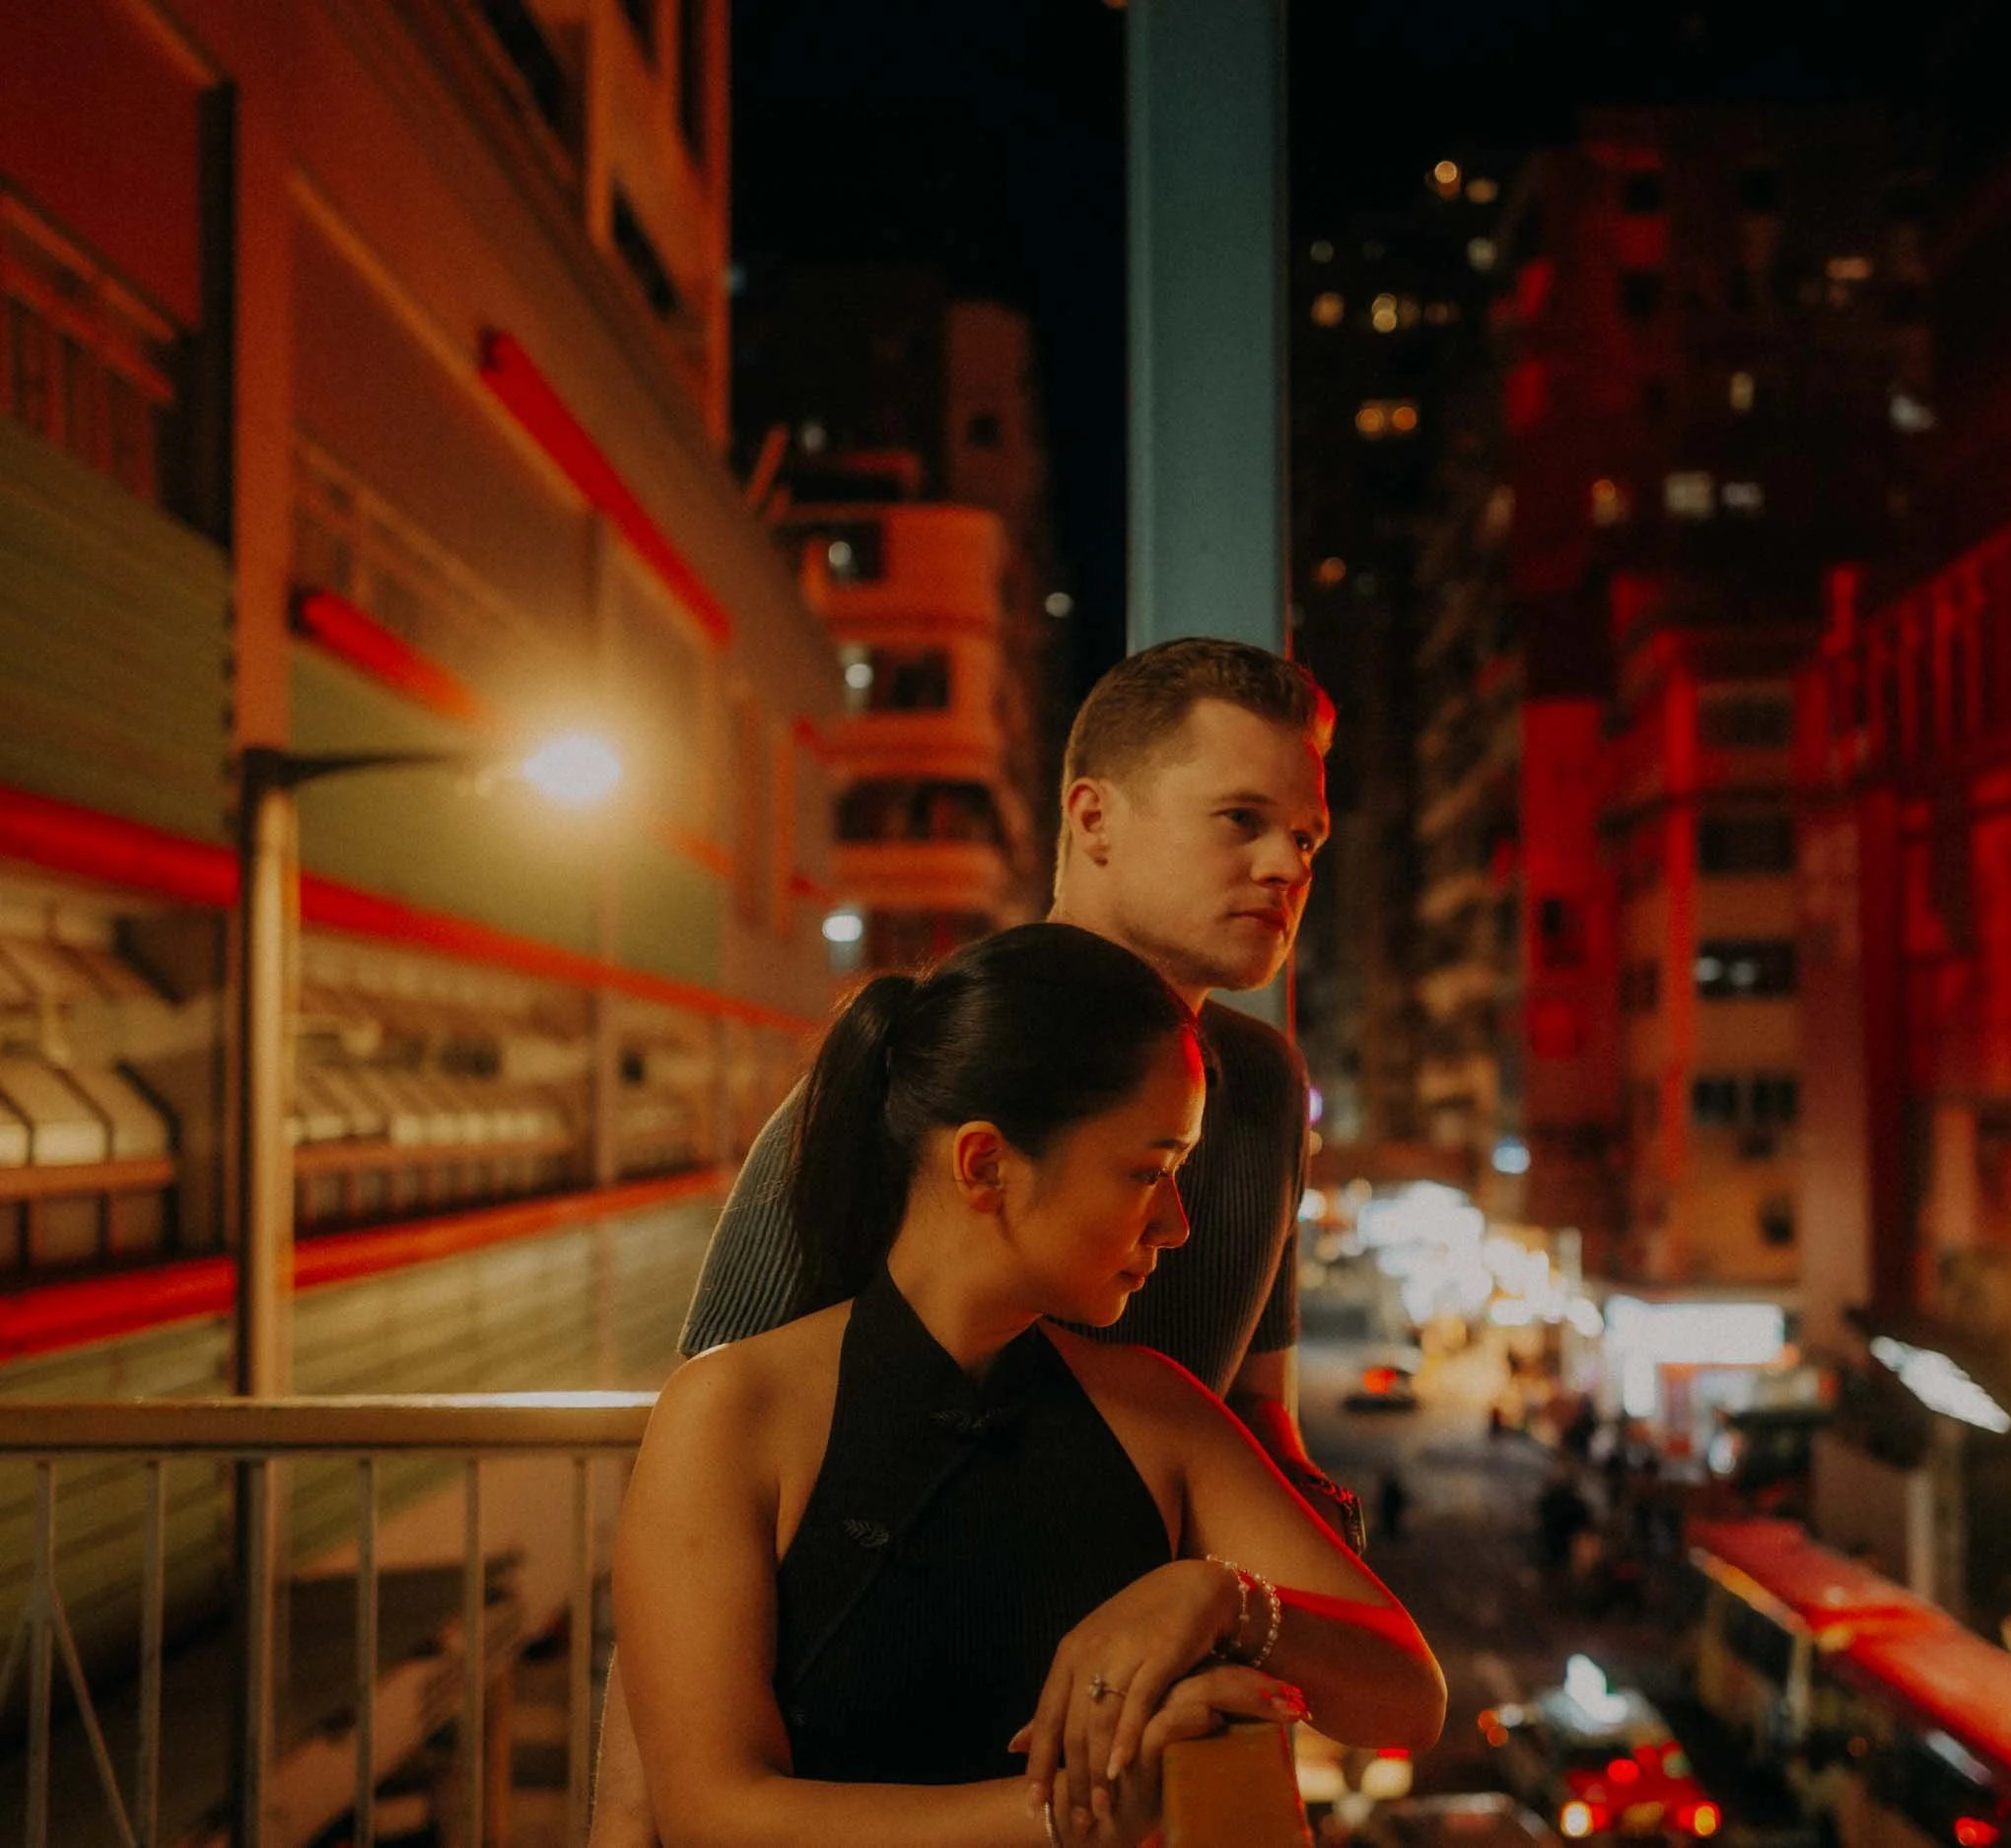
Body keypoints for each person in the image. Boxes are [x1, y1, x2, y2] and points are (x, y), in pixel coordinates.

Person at [591, 639, 1357, 1845]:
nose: (1283, 866)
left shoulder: (1258, 1094)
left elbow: (1263, 1424)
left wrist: (1252, 1596)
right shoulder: (926, 1082)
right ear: (1092, 819)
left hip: (1136, 1725)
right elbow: (696, 1520)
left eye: (1306, 837)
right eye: (1240, 819)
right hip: (882, 1741)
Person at [612, 924, 1445, 1847]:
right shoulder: (734, 1411)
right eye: (1149, 1170)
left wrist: (1223, 1598)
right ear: (986, 1164)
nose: (1175, 1223)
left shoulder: (1156, 1411)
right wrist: (1075, 1818)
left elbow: (1411, 1697)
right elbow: (713, 1813)